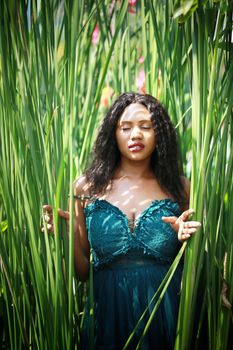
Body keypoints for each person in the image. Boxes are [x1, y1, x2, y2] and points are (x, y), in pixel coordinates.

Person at [43, 92, 201, 349]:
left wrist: (185, 242)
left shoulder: (180, 188)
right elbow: (83, 273)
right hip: (107, 311)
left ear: (159, 132)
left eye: (146, 127)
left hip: (166, 310)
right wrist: (66, 235)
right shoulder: (87, 187)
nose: (135, 135)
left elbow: (190, 267)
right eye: (125, 127)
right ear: (112, 134)